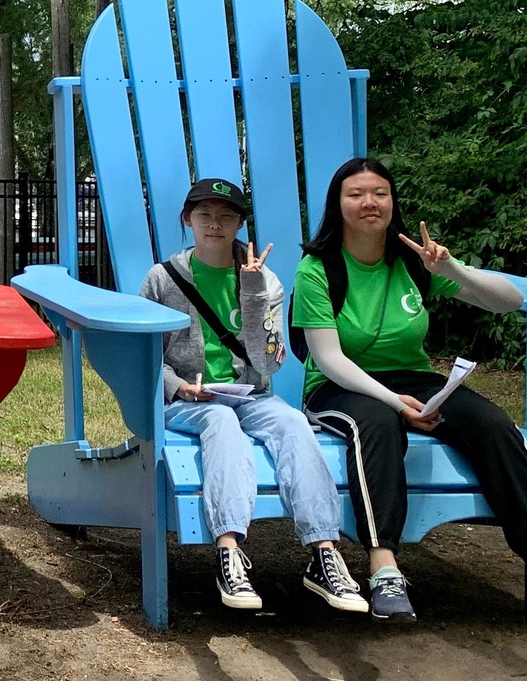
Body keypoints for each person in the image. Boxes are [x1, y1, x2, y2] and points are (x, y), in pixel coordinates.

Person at [295, 156, 527, 621]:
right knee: (380, 425)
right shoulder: (317, 268)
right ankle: (384, 571)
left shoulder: (415, 261)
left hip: (413, 377)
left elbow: (509, 302)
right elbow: (328, 358)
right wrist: (394, 402)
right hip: (340, 386)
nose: (369, 203)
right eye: (356, 194)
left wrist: (452, 270)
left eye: (380, 193)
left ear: (392, 201)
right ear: (337, 203)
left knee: (494, 423)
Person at [140, 177, 367, 615]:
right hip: (190, 401)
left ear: (240, 223)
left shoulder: (267, 281)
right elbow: (145, 356)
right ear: (187, 220)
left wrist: (253, 293)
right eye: (204, 215)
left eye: (226, 216)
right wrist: (177, 386)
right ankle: (229, 551)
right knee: (222, 423)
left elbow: (268, 366)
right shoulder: (162, 280)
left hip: (253, 395)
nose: (215, 224)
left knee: (294, 424)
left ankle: (324, 553)